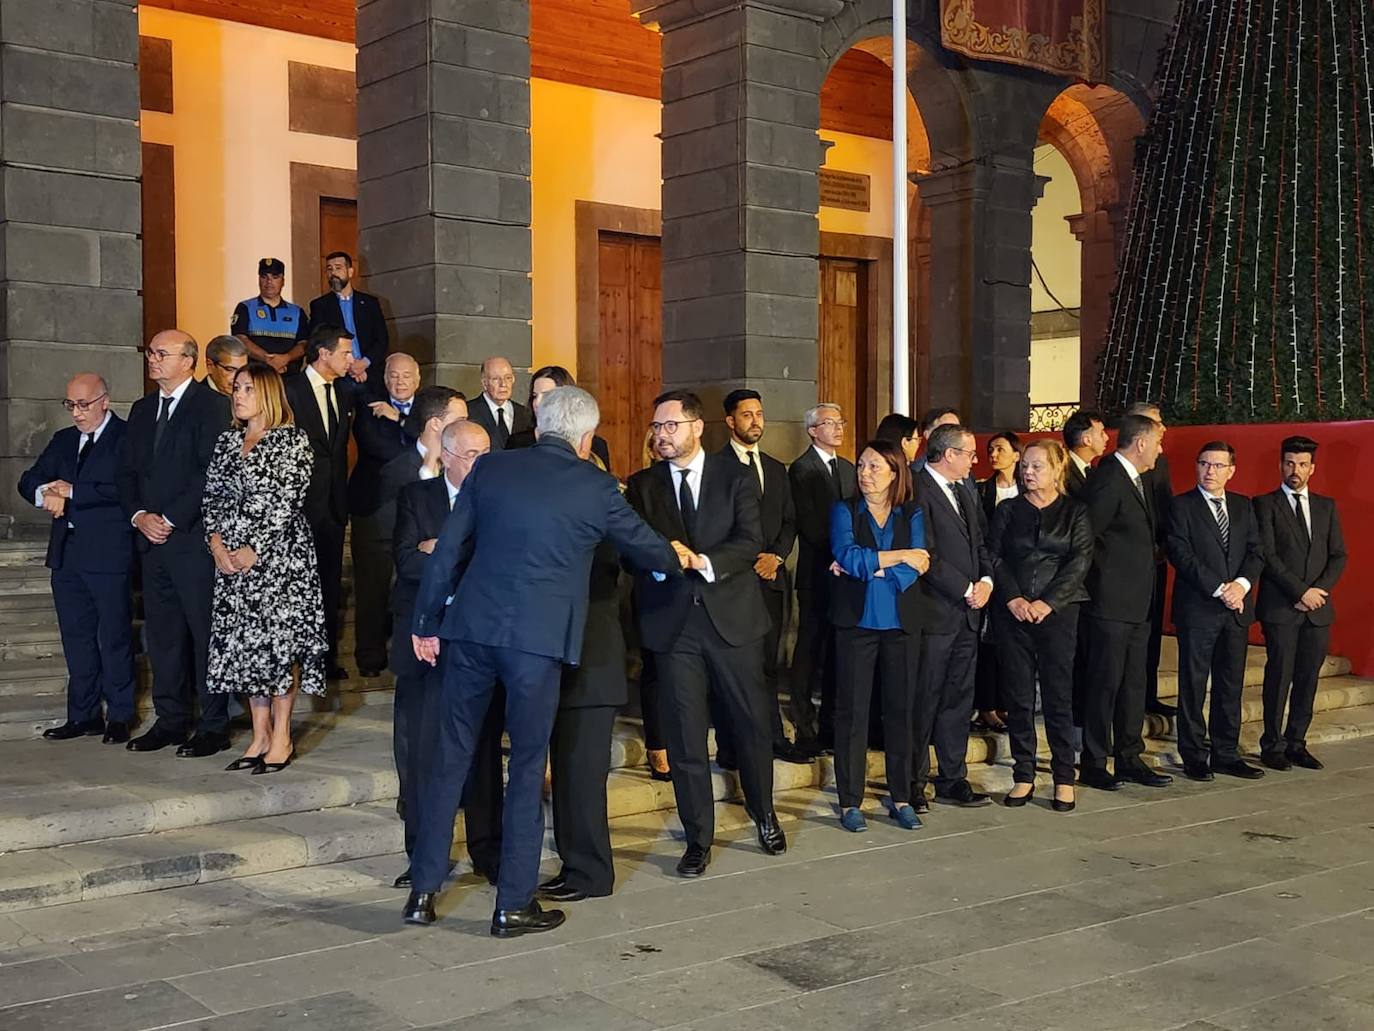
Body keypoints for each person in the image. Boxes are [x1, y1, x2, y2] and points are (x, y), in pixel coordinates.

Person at [405, 386, 680, 935]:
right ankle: (512, 904)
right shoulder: (597, 485)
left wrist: (425, 622)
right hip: (538, 644)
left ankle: (422, 891)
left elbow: (449, 550)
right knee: (528, 768)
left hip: (473, 632)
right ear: (585, 437)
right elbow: (650, 551)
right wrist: (680, 557)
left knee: (449, 760)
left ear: (538, 421)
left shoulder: (492, 470)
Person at [627, 389, 787, 878]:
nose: (661, 435)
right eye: (657, 427)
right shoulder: (643, 485)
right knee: (685, 738)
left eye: (670, 425)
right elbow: (632, 547)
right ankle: (698, 837)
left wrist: (704, 562)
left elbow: (748, 542)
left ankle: (764, 814)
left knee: (751, 726)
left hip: (732, 621)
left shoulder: (735, 477)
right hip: (675, 628)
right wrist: (661, 561)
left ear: (697, 427)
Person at [389, 419, 502, 889]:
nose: (481, 463)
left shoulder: (499, 501)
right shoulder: (417, 498)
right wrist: (450, 557)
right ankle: (423, 859)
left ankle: (488, 852)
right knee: (424, 755)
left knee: (484, 752)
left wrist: (441, 552)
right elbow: (407, 562)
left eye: (486, 453)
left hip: (479, 642)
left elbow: (497, 564)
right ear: (449, 455)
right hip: (425, 643)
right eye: (472, 454)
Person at [203, 364, 327, 774]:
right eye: (236, 388)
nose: (238, 395)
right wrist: (217, 543)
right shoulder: (226, 441)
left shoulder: (292, 441)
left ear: (269, 395)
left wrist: (255, 549)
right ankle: (258, 735)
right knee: (246, 649)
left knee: (278, 647)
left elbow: (285, 500)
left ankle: (282, 736)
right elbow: (213, 497)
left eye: (247, 389)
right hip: (231, 562)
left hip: (280, 560)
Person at [118, 330, 232, 755]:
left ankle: (214, 724)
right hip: (151, 542)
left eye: (162, 353)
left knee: (205, 634)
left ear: (189, 360)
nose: (153, 359)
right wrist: (139, 516)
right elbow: (127, 471)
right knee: (163, 635)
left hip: (193, 541)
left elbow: (210, 473)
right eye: (150, 352)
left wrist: (168, 517)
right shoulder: (143, 409)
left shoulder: (212, 406)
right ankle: (170, 720)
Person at [19, 374, 136, 743]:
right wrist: (45, 493)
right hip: (67, 556)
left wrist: (74, 491)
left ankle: (119, 715)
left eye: (84, 404)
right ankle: (83, 715)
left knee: (114, 638)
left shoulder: (127, 437)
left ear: (105, 400)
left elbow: (126, 489)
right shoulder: (63, 440)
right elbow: (28, 480)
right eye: (70, 405)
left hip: (108, 555)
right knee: (77, 638)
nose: (77, 413)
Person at [829, 439, 928, 832]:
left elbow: (920, 562)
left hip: (901, 625)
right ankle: (850, 801)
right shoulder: (844, 510)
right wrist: (896, 557)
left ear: (894, 473)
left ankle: (901, 796)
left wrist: (876, 565)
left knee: (900, 713)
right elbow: (847, 555)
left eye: (873, 467)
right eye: (861, 466)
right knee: (852, 714)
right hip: (857, 624)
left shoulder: (912, 512)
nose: (864, 473)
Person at [987, 440, 1091, 812]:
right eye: (1025, 466)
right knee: (1017, 696)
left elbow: (1080, 561)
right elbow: (993, 556)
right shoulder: (1008, 510)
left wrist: (1047, 602)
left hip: (1059, 613)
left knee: (1058, 696)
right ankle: (1024, 774)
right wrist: (1014, 598)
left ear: (1056, 470)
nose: (1028, 473)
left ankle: (1064, 776)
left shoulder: (1075, 512)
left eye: (1037, 467)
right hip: (1012, 613)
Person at [1079, 412, 1172, 790]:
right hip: (1109, 605)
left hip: (1137, 605)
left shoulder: (1138, 479)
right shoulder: (1108, 480)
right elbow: (1086, 539)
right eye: (1158, 442)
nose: (1161, 450)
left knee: (1133, 683)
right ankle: (1095, 761)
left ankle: (1130, 756)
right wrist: (1098, 590)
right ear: (1141, 443)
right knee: (1105, 684)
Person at [1166, 441, 1265, 782]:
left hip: (1236, 610)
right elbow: (1181, 554)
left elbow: (1256, 552)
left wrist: (1240, 585)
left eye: (1218, 465)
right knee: (1193, 685)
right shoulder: (1182, 506)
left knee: (1230, 683)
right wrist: (1221, 589)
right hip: (1199, 608)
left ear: (1231, 471)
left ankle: (1225, 752)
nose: (1210, 471)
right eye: (1204, 463)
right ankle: (1193, 754)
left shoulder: (1242, 506)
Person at [718, 388, 806, 764]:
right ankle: (732, 744)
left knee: (769, 664)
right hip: (736, 582)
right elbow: (718, 525)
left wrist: (777, 555)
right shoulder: (716, 466)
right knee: (735, 666)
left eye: (759, 414)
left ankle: (773, 736)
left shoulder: (774, 467)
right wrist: (750, 559)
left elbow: (789, 520)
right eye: (747, 415)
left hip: (772, 578)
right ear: (730, 421)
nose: (756, 421)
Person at [910, 423, 993, 809]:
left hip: (968, 614)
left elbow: (980, 541)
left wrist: (987, 581)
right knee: (923, 698)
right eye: (969, 453)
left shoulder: (965, 489)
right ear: (948, 455)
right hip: (934, 612)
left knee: (958, 700)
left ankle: (952, 777)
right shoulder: (915, 489)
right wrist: (964, 588)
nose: (975, 460)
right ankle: (913, 780)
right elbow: (925, 552)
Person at [1253, 436, 1347, 771]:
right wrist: (1299, 592)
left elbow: (1338, 556)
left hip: (1318, 609)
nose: (1296, 470)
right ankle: (1272, 744)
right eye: (1290, 463)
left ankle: (1297, 742)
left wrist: (1317, 591)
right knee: (1279, 675)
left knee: (1308, 677)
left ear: (1312, 468)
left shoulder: (1326, 506)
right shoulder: (1264, 504)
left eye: (1302, 464)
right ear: (1281, 465)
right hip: (1281, 607)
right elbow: (1267, 556)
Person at [283, 324, 355, 680]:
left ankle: (322, 661)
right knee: (295, 588)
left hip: (332, 506)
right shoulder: (290, 390)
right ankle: (293, 661)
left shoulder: (343, 393)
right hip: (297, 509)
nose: (350, 359)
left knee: (327, 586)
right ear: (323, 353)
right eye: (345, 352)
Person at [788, 402, 856, 754]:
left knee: (836, 650)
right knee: (810, 649)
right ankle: (803, 722)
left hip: (847, 576)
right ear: (813, 430)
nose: (838, 428)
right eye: (830, 423)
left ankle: (831, 723)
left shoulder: (848, 468)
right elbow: (810, 524)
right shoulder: (801, 469)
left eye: (841, 421)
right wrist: (843, 554)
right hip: (817, 572)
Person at [349, 353, 423, 678]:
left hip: (416, 511)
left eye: (406, 376)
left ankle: (408, 655)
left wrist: (402, 421)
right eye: (394, 375)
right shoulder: (370, 406)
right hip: (374, 509)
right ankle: (370, 660)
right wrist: (419, 441)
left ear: (418, 379)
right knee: (371, 589)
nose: (400, 381)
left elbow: (438, 443)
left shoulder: (425, 410)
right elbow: (386, 451)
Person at [1127, 401, 1177, 719]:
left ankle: (1149, 694)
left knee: (1153, 629)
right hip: (1132, 565)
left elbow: (1165, 505)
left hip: (1157, 558)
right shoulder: (1119, 467)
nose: (1164, 429)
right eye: (1157, 423)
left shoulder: (1161, 463)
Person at [972, 430, 1021, 732]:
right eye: (991, 449)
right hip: (991, 572)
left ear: (1017, 455)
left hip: (1019, 576)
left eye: (1001, 449)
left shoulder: (1027, 492)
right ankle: (986, 705)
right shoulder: (982, 491)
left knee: (1012, 644)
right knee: (987, 643)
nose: (994, 454)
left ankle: (1006, 703)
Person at [309, 251, 389, 386]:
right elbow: (318, 342)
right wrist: (349, 366)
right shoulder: (320, 306)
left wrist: (364, 363)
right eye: (329, 269)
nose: (333, 273)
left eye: (338, 268)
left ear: (350, 272)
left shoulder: (370, 303)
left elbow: (382, 339)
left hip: (370, 374)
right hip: (337, 378)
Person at [507, 365, 611, 467]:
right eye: (535, 396)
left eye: (548, 396)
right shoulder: (517, 442)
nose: (537, 403)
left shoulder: (596, 445)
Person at [230, 258, 310, 374]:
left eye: (275, 277)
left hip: (290, 379)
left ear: (283, 281)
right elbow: (240, 340)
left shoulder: (297, 312)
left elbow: (304, 344)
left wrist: (285, 359)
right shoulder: (245, 308)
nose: (269, 282)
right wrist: (268, 360)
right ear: (258, 280)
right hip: (255, 377)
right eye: (264, 277)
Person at [466, 356, 531, 449]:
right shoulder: (468, 412)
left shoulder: (525, 414)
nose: (503, 384)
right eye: (496, 379)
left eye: (508, 378)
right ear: (484, 383)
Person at [1062, 409, 1107, 499]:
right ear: (1087, 440)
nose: (1106, 437)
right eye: (1101, 433)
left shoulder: (1095, 471)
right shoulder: (1063, 472)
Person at [910, 407, 960, 476]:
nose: (954, 435)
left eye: (957, 430)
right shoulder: (917, 472)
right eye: (946, 429)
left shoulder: (963, 465)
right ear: (927, 435)